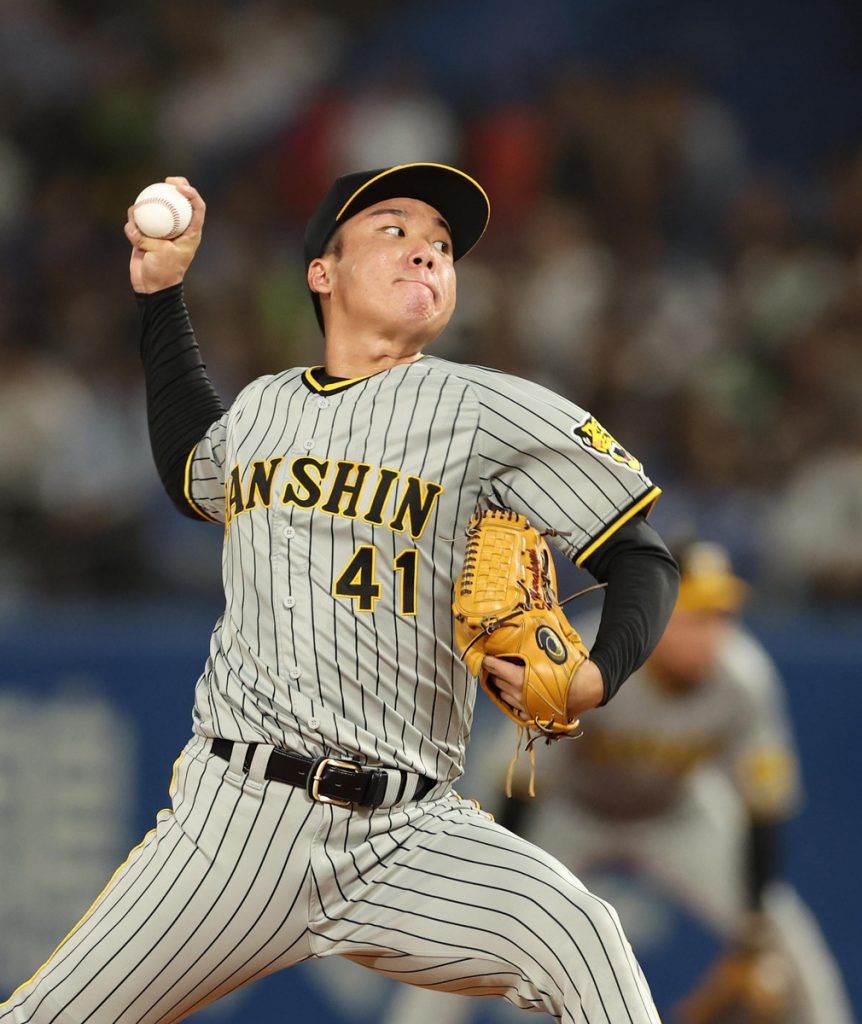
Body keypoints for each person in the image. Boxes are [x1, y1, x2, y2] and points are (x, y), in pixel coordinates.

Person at [1, 163, 679, 1024]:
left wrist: (598, 676)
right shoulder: (263, 409)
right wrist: (161, 295)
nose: (428, 254)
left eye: (442, 246)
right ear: (323, 272)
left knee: (582, 938)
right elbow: (189, 472)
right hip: (236, 821)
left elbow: (643, 558)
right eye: (395, 231)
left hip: (412, 831)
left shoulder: (491, 410)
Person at [424, 539, 850, 1024]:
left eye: (720, 616)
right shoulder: (580, 662)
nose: (712, 634)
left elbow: (765, 808)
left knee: (783, 934)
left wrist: (752, 924)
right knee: (470, 930)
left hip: (677, 816)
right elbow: (518, 785)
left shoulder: (743, 678)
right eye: (696, 616)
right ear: (658, 615)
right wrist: (506, 887)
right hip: (570, 814)